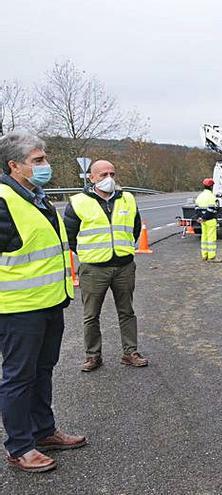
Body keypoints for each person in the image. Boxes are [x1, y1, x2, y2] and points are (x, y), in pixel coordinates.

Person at [0, 131, 87, 473]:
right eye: (37, 160)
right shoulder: (4, 201)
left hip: (50, 302)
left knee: (43, 370)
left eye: (44, 158)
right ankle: (20, 447)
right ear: (14, 165)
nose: (45, 165)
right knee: (18, 377)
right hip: (17, 309)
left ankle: (44, 430)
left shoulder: (37, 196)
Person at [64, 160, 148, 372]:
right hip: (94, 268)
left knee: (127, 311)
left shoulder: (127, 199)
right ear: (91, 178)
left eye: (112, 173)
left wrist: (125, 249)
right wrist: (87, 253)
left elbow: (135, 229)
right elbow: (70, 235)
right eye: (103, 174)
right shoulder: (78, 202)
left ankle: (130, 352)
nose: (108, 178)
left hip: (124, 266)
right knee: (91, 315)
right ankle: (93, 356)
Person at [195, 178, 220, 262]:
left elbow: (197, 208)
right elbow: (212, 209)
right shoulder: (211, 196)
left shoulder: (200, 196)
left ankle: (204, 255)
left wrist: (200, 218)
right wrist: (205, 218)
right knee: (211, 239)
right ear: (211, 186)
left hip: (202, 221)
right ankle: (212, 257)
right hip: (210, 220)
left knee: (204, 238)